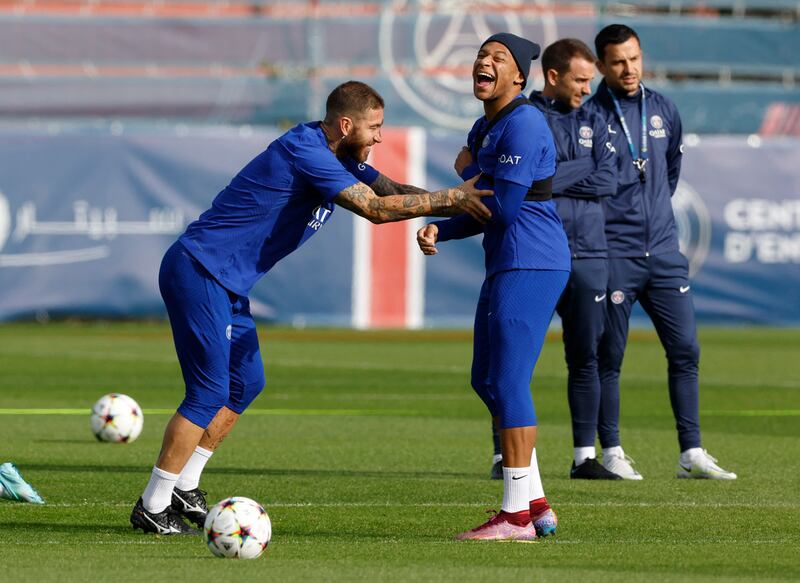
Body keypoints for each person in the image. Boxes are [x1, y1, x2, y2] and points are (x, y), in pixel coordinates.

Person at [129, 80, 495, 535]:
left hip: (226, 281)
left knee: (246, 383)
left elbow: (391, 188)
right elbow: (377, 210)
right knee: (207, 392)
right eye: (375, 127)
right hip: (200, 270)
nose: (380, 137)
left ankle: (185, 485)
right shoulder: (307, 152)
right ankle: (153, 503)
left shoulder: (338, 154)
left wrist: (457, 206)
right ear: (346, 124)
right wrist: (450, 198)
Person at [417, 32, 571, 541]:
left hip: (532, 263)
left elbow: (501, 208)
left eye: (497, 58)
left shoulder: (524, 124)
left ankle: (514, 517)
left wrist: (465, 171)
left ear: (520, 76)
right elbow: (488, 211)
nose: (484, 61)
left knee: (507, 382)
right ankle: (535, 502)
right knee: (486, 381)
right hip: (509, 259)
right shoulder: (487, 125)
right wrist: (446, 223)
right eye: (481, 55)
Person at [583, 24, 736, 479]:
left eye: (634, 59)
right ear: (600, 67)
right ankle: (610, 449)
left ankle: (691, 453)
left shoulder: (664, 109)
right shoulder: (591, 117)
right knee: (610, 355)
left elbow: (669, 176)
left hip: (665, 252)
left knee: (686, 349)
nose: (628, 69)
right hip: (615, 254)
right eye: (617, 62)